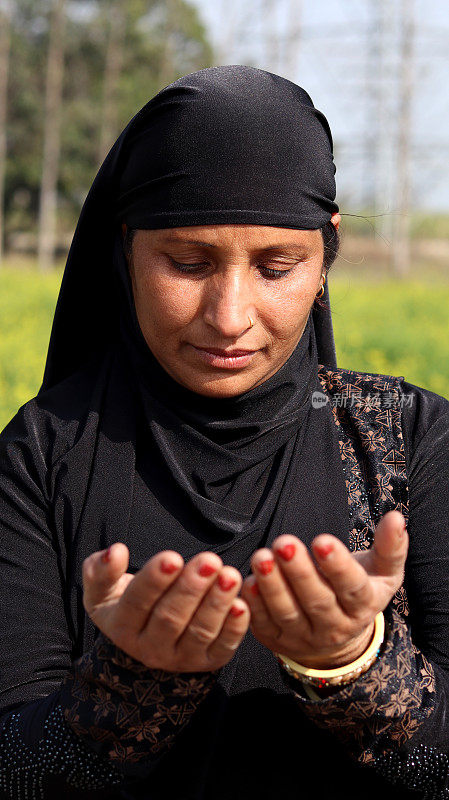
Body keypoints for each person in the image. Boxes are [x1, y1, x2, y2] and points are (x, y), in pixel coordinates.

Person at [0, 65, 448, 800]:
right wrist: (125, 691)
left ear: (325, 256)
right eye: (186, 262)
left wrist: (356, 666)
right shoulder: (42, 457)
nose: (229, 315)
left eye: (276, 267)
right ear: (126, 248)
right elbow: (15, 774)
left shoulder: (410, 446)